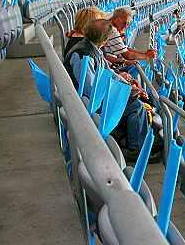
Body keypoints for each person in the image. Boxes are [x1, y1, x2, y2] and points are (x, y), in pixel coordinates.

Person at [63, 19, 157, 163]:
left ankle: (135, 140)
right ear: (106, 40)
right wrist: (122, 93)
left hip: (91, 98)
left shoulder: (92, 48)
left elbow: (107, 72)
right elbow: (91, 90)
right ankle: (135, 149)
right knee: (136, 107)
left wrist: (128, 87)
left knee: (134, 98)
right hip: (86, 103)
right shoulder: (84, 55)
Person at [103, 6, 157, 77]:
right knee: (135, 68)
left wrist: (144, 53)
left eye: (128, 23)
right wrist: (146, 56)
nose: (125, 26)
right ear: (116, 18)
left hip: (111, 65)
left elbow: (125, 48)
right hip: (110, 69)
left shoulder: (110, 27)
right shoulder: (112, 31)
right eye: (124, 22)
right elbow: (127, 55)